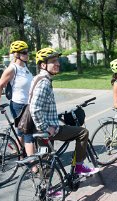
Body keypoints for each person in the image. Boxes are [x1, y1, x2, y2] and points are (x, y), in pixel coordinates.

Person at [29, 47, 99, 176]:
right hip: (47, 129)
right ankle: (79, 167)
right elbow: (34, 108)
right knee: (83, 133)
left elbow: (41, 105)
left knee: (47, 158)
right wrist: (46, 127)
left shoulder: (37, 78)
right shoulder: (44, 82)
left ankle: (47, 192)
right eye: (54, 61)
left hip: (37, 129)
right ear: (43, 65)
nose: (58, 64)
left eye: (58, 60)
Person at [0, 40, 34, 158]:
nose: (27, 54)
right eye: (24, 52)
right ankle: (34, 166)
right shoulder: (12, 69)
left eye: (27, 52)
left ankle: (18, 155)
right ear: (16, 54)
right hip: (19, 106)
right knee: (28, 135)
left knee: (21, 134)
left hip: (28, 105)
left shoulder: (25, 67)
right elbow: (0, 85)